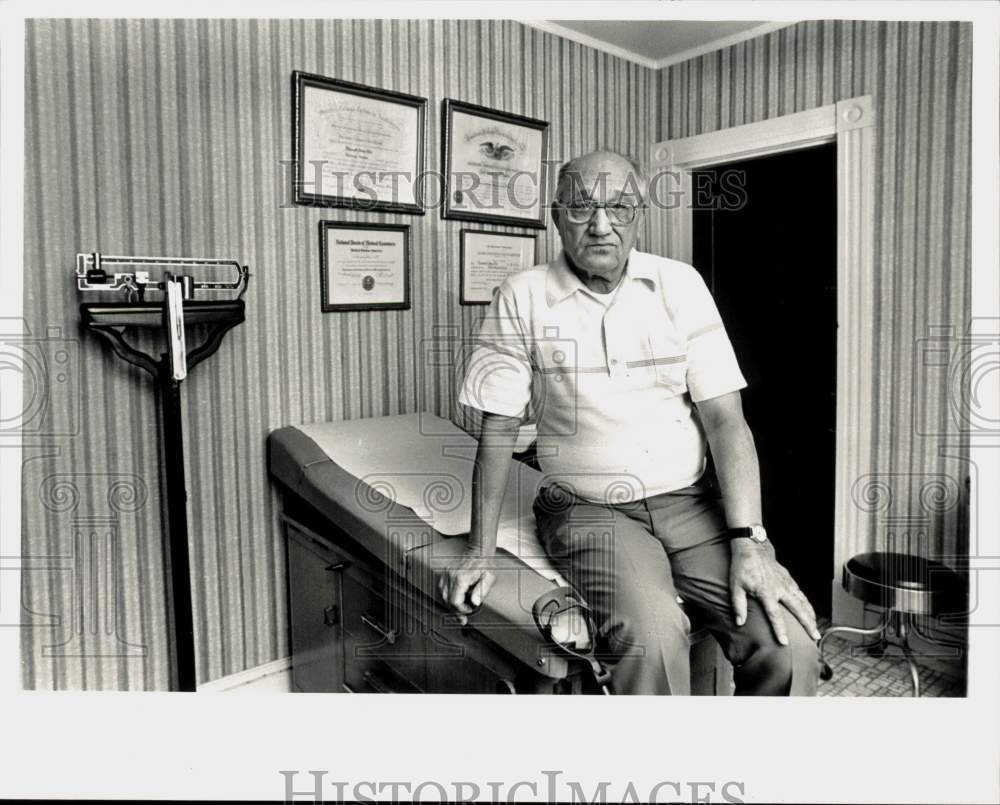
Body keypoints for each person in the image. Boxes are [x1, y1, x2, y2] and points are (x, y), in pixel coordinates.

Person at [444, 150, 820, 695]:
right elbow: (498, 430)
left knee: (789, 645)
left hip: (691, 504)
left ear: (639, 213)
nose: (601, 224)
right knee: (652, 637)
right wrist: (479, 552)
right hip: (586, 508)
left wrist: (751, 542)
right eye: (581, 207)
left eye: (619, 206)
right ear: (555, 215)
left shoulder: (681, 285)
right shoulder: (521, 295)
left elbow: (726, 422)